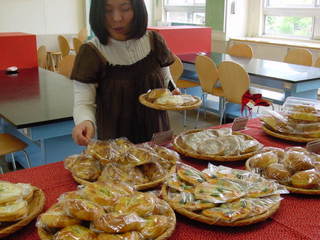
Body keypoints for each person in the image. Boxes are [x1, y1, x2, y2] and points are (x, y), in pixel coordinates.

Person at [71, 0, 180, 146]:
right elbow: (84, 102)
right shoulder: (91, 52)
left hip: (158, 135)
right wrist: (85, 121)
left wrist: (173, 91)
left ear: (137, 9)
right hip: (117, 144)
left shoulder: (155, 41)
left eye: (125, 8)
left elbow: (165, 78)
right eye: (107, 10)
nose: (116, 18)